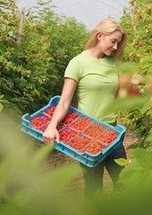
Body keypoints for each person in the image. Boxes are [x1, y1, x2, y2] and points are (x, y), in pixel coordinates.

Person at [42, 16, 127, 193]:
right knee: (94, 188)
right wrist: (52, 126)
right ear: (99, 36)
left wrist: (130, 84)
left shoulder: (116, 65)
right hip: (87, 135)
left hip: (112, 135)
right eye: (113, 41)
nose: (116, 47)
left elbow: (120, 100)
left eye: (118, 43)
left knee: (125, 183)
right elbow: (64, 101)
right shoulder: (78, 63)